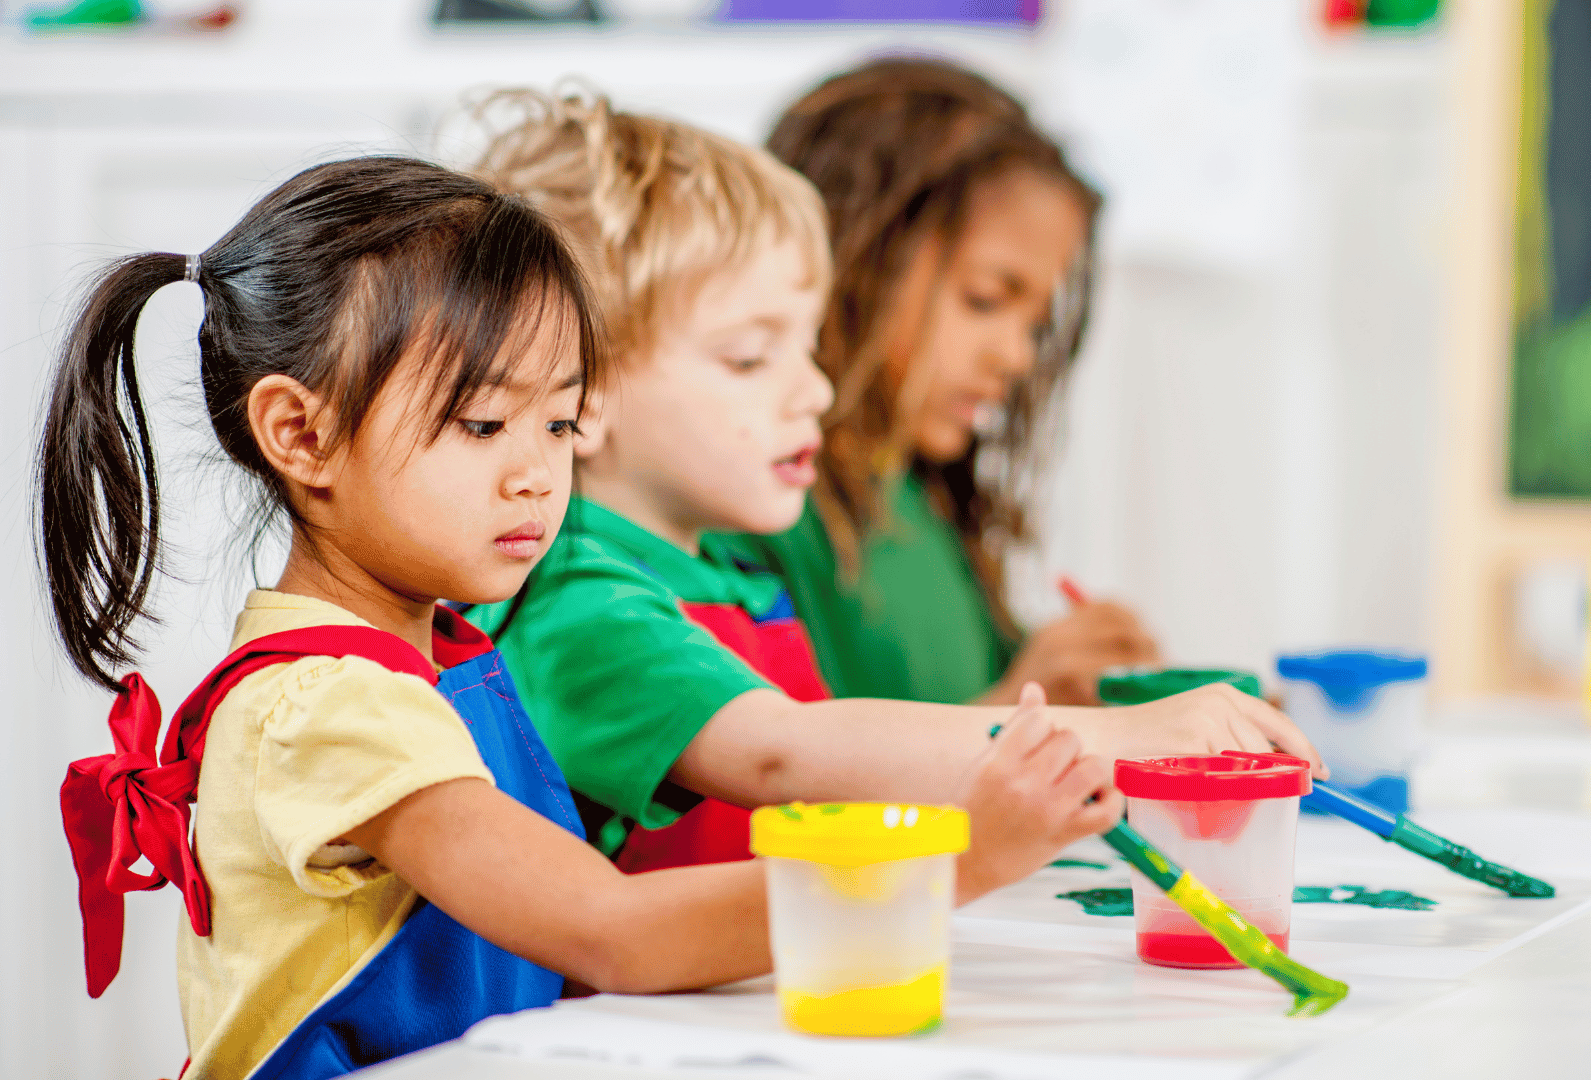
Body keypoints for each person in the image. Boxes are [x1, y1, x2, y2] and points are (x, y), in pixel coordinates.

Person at [44, 156, 1125, 1080]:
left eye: (560, 422)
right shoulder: (327, 710)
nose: (536, 476)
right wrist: (964, 857)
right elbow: (615, 930)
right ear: (301, 434)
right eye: (481, 424)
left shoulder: (439, 654)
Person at [467, 93, 1322, 874]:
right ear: (586, 391)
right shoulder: (576, 595)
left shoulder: (728, 581)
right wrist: (1118, 737)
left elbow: (829, 801)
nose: (818, 390)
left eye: (806, 347)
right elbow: (786, 751)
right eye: (750, 357)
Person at [738, 58, 1155, 708]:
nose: (1017, 357)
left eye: (1036, 324)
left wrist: (1078, 683)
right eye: (985, 299)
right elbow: (783, 788)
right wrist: (1016, 705)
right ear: (851, 260)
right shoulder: (759, 506)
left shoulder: (919, 498)